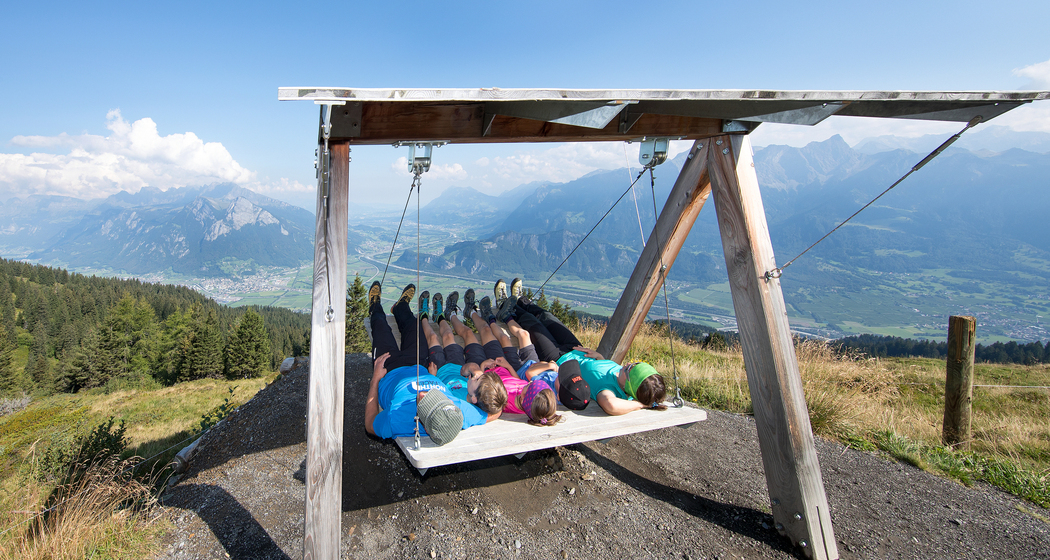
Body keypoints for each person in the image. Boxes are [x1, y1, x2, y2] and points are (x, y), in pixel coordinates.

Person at [495, 279, 667, 415]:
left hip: (557, 358)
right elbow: (604, 367)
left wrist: (640, 405)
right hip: (576, 349)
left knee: (534, 326)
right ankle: (521, 300)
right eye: (635, 364)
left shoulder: (608, 391)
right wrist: (599, 357)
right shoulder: (621, 374)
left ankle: (505, 306)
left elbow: (610, 405)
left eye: (630, 370)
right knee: (547, 316)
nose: (628, 365)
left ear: (630, 387)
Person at [364, 282, 491, 446]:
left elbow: (370, 424)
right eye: (435, 398)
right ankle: (400, 306)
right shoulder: (457, 413)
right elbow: (492, 414)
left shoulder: (397, 418)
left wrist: (375, 379)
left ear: (421, 422)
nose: (424, 394)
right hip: (419, 367)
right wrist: (432, 378)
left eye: (424, 403)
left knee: (381, 327)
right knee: (414, 327)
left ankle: (375, 306)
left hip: (389, 371)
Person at [419, 291, 507, 419]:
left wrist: (432, 377)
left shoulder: (457, 405)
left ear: (474, 398)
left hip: (439, 371)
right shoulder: (477, 392)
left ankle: (423, 317)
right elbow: (497, 412)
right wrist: (474, 369)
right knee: (448, 335)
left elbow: (433, 395)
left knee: (432, 338)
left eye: (476, 380)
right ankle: (440, 317)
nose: (474, 377)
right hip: (457, 366)